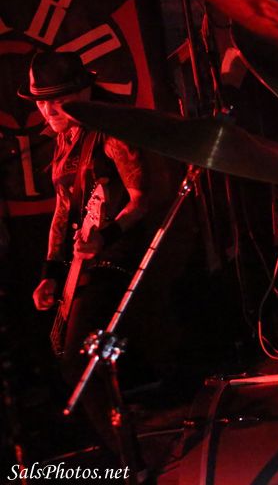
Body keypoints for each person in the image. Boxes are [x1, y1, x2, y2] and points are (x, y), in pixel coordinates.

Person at [20, 51, 150, 464]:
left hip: (119, 255)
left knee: (81, 359)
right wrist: (50, 271)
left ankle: (131, 462)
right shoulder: (65, 137)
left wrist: (105, 237)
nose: (48, 111)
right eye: (41, 102)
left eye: (57, 101)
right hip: (83, 261)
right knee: (61, 356)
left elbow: (142, 200)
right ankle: (117, 447)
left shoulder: (112, 130)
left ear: (84, 92)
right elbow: (62, 210)